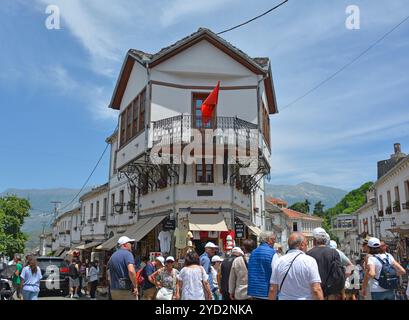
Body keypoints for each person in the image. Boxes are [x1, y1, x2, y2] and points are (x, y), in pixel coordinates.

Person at [269, 232, 323, 300]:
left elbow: (272, 289)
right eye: (307, 244)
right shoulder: (309, 261)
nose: (307, 246)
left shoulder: (279, 261)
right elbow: (316, 289)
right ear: (302, 245)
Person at [307, 228, 344, 300]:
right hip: (331, 292)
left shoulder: (309, 254)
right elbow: (338, 272)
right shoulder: (334, 253)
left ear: (314, 241)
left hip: (315, 291)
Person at [247, 231, 278, 299]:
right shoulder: (272, 253)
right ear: (267, 240)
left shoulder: (253, 252)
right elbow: (276, 273)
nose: (274, 241)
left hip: (254, 291)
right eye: (273, 239)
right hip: (266, 292)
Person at [107, 236, 138, 300]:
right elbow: (131, 271)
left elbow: (108, 273)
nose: (132, 245)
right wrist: (135, 286)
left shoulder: (113, 256)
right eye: (130, 243)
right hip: (125, 290)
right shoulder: (128, 254)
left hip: (114, 290)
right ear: (125, 245)